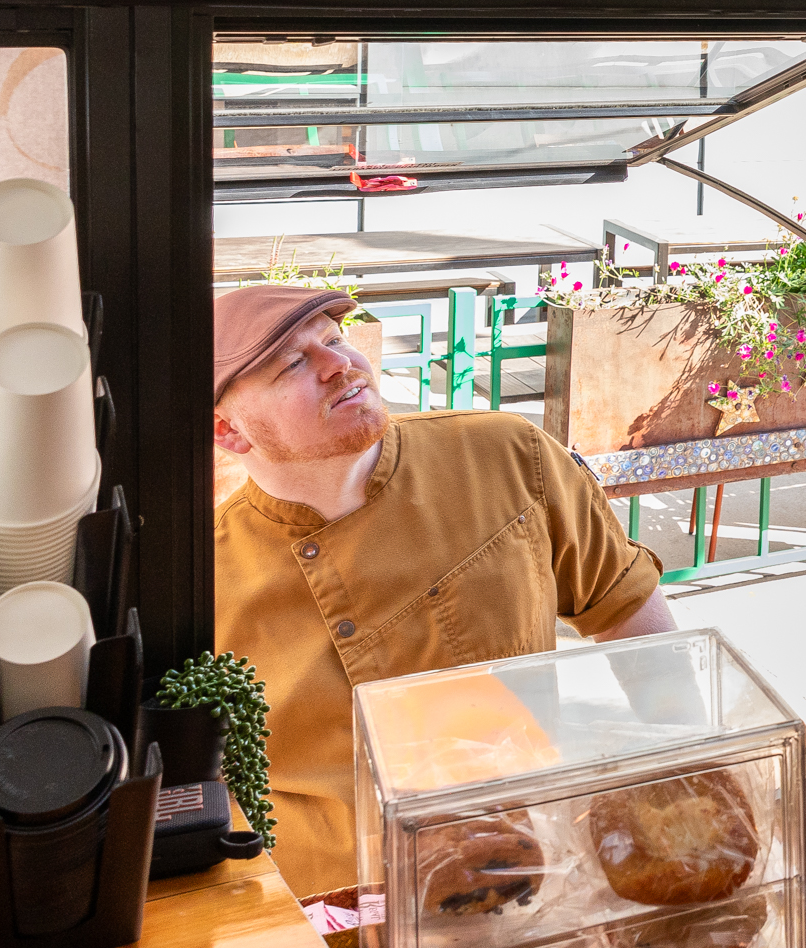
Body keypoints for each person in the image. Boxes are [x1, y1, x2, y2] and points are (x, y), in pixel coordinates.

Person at [212, 285, 674, 899]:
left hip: (528, 877)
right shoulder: (207, 576)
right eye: (292, 364)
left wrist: (686, 787)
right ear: (229, 431)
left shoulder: (508, 457)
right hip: (330, 914)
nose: (339, 365)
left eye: (334, 338)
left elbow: (630, 614)